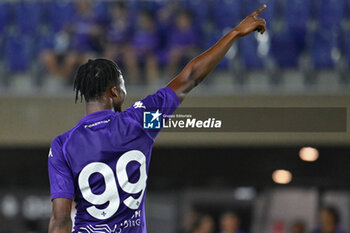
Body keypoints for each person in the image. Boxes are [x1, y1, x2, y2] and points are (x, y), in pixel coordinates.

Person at [47, 5, 267, 233]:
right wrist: (234, 33)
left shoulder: (62, 145)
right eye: (123, 86)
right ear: (114, 92)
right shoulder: (140, 123)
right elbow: (190, 77)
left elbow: (61, 220)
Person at [166, 9, 199, 77]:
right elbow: (173, 44)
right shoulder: (174, 31)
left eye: (184, 19)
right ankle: (170, 78)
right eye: (180, 19)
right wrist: (179, 50)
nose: (182, 21)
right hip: (178, 52)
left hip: (190, 51)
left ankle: (195, 79)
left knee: (195, 55)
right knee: (174, 55)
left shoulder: (193, 30)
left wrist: (183, 49)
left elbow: (194, 45)